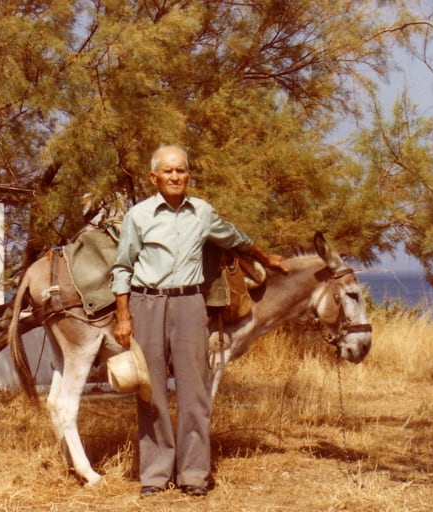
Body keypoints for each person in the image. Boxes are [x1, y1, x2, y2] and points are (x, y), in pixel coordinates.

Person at [111, 144, 287, 498]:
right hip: (147, 304)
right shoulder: (139, 216)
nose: (175, 176)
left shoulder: (203, 212)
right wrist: (123, 315)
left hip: (191, 304)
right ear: (153, 177)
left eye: (181, 171)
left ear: (188, 175)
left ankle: (193, 475)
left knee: (195, 392)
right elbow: (122, 267)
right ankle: (156, 475)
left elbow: (237, 239)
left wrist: (267, 258)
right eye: (168, 171)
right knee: (151, 392)